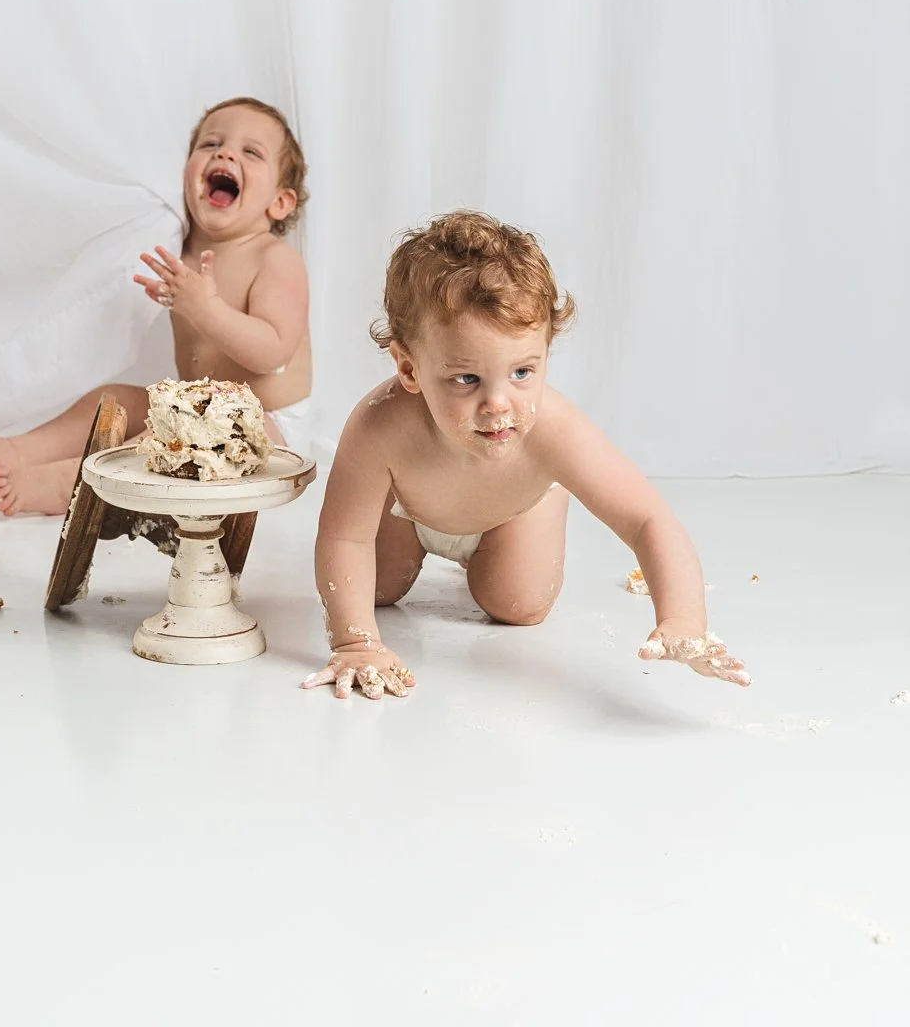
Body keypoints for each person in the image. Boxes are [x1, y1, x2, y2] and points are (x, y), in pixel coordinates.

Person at [304, 209, 750, 700]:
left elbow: (647, 520)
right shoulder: (379, 426)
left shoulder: (553, 430)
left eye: (522, 373)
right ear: (409, 368)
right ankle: (409, 547)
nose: (498, 404)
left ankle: (532, 514)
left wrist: (683, 618)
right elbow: (344, 537)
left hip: (512, 512)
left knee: (517, 603)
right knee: (372, 591)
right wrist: (355, 643)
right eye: (465, 379)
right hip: (408, 508)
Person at [0, 97, 311, 515]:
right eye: (210, 144)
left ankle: (70, 484)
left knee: (176, 438)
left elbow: (274, 352)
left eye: (251, 152)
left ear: (280, 202)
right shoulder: (181, 248)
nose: (225, 153)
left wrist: (205, 309)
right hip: (191, 404)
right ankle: (15, 451)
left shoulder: (273, 257)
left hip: (270, 425)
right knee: (114, 399)